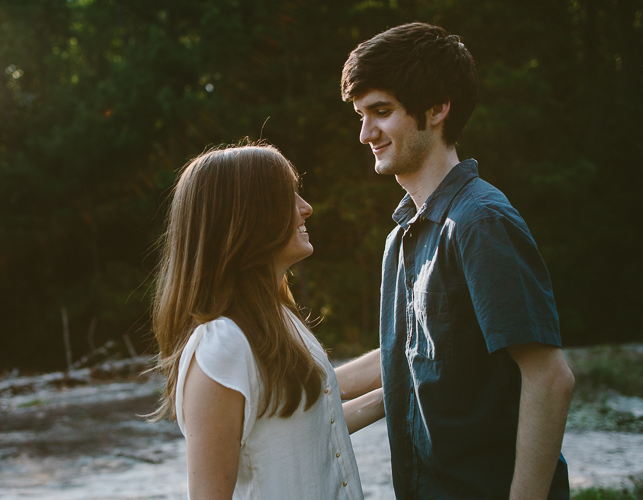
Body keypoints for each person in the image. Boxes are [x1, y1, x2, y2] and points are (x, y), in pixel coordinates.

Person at [335, 22, 576, 500]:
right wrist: (278, 385)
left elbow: (550, 378)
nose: (365, 134)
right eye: (360, 116)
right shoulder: (402, 235)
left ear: (437, 109)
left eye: (380, 112)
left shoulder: (479, 222)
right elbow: (403, 353)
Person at [149, 144, 378, 500]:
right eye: (289, 197)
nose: (307, 208)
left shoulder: (278, 317)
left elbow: (315, 427)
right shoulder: (221, 346)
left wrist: (405, 379)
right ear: (248, 217)